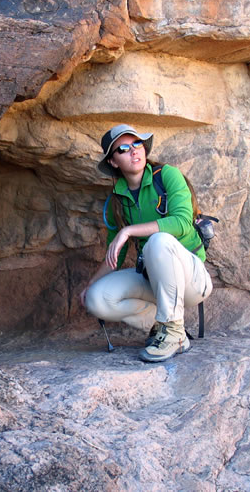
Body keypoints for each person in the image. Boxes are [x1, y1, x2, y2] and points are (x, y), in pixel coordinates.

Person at [80, 124, 213, 362]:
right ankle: (165, 327)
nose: (134, 151)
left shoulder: (168, 175)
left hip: (192, 280)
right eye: (123, 148)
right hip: (154, 282)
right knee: (96, 298)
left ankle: (172, 332)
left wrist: (129, 231)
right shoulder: (117, 200)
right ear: (113, 162)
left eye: (137, 143)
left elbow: (182, 222)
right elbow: (115, 257)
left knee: (158, 241)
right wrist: (90, 284)